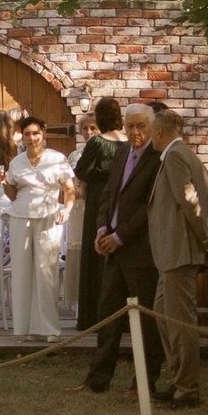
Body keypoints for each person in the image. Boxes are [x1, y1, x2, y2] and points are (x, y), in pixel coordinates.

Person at [78, 103, 161, 393]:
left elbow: (150, 208)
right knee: (107, 315)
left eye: (141, 126)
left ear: (152, 128)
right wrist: (102, 229)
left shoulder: (159, 157)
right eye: (131, 126)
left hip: (141, 252)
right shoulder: (123, 151)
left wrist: (121, 236)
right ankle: (97, 380)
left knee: (147, 321)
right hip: (113, 249)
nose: (135, 132)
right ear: (123, 126)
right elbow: (109, 194)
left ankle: (143, 383)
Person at [146, 106, 208, 408]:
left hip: (179, 252)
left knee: (180, 323)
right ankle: (179, 381)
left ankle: (188, 389)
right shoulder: (186, 155)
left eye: (151, 130)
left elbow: (191, 202)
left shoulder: (176, 156)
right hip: (171, 254)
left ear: (159, 132)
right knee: (164, 315)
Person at [4, 116, 76, 340]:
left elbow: (69, 189)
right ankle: (26, 329)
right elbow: (12, 194)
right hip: (20, 217)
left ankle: (49, 328)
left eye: (36, 133)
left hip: (48, 217)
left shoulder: (57, 158)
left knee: (46, 272)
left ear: (43, 135)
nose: (32, 138)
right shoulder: (16, 162)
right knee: (22, 272)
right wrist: (4, 185)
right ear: (22, 136)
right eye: (27, 134)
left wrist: (66, 209)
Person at [68, 99, 126, 332]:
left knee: (96, 253)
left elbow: (82, 170)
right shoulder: (127, 141)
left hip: (100, 198)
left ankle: (94, 316)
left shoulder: (98, 142)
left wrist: (99, 172)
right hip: (122, 199)